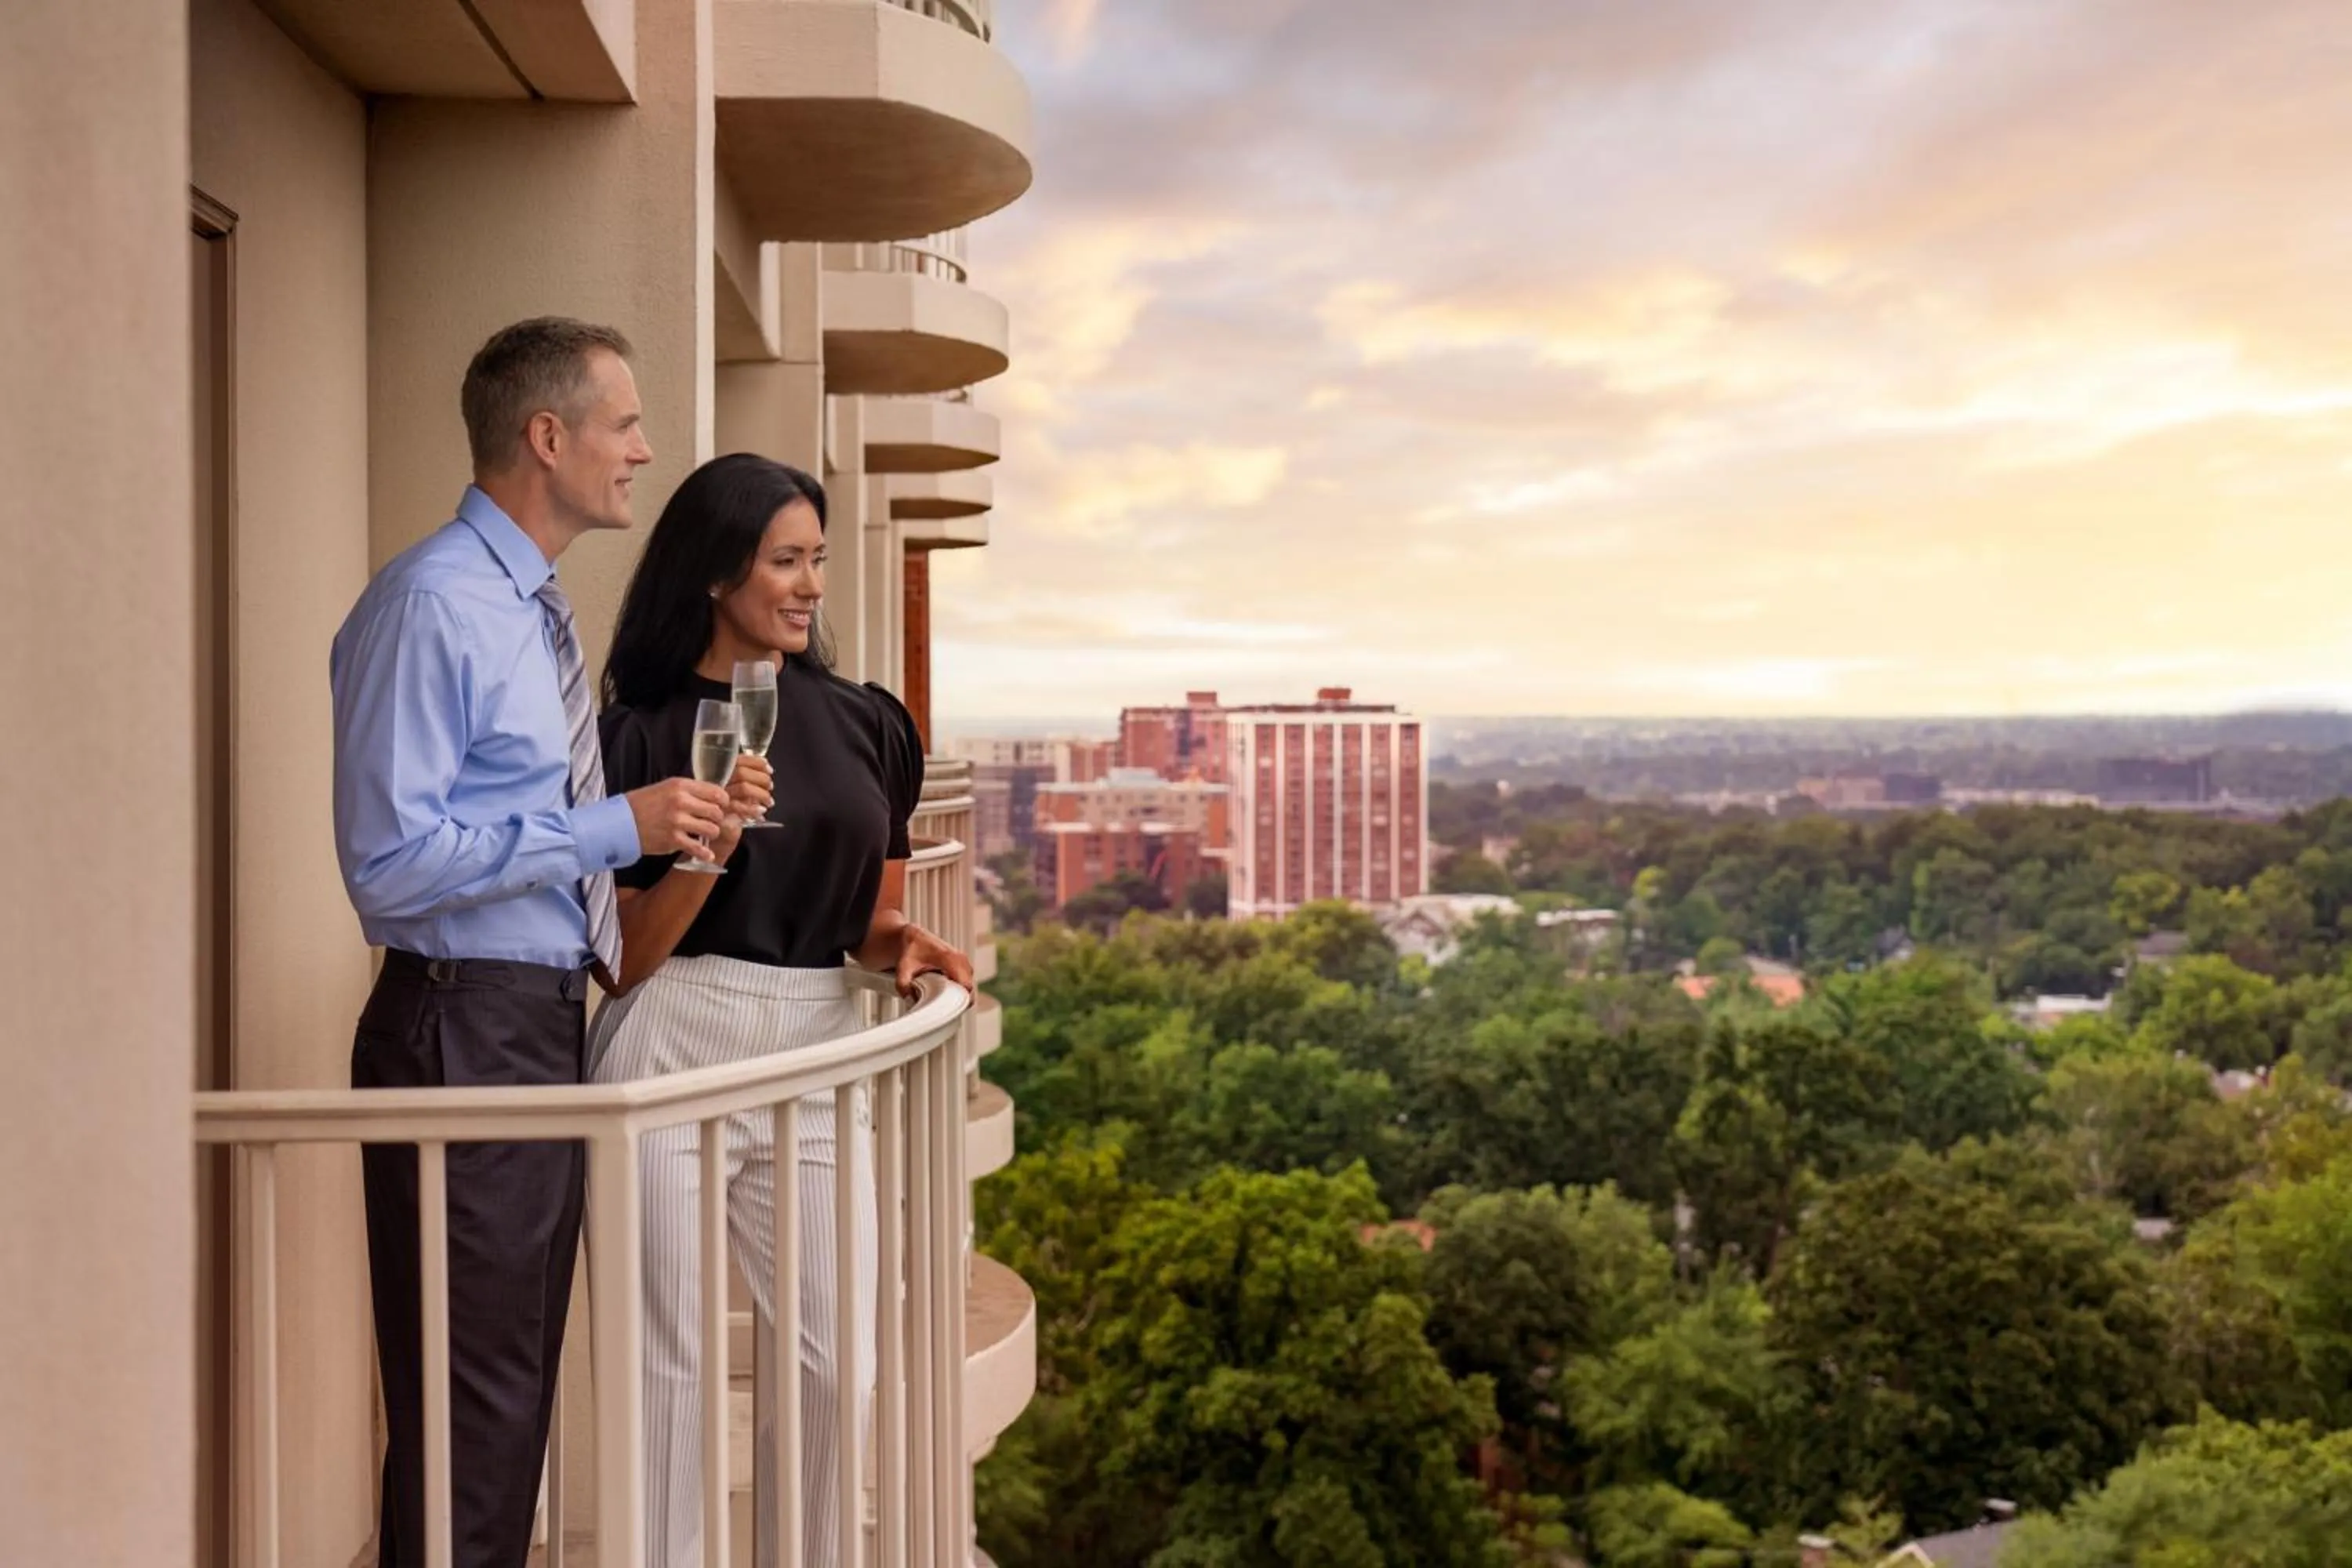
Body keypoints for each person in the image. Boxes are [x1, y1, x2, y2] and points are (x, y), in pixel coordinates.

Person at [330, 317, 735, 1567]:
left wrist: (652, 853)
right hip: (463, 1026)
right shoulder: (431, 605)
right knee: (477, 1406)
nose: (644, 450)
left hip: (530, 1024)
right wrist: (608, 827)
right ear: (546, 437)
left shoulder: (533, 610)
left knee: (504, 1398)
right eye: (624, 424)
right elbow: (387, 866)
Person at [587, 452, 975, 1568]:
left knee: (833, 1364)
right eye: (786, 560)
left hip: (814, 1048)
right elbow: (624, 962)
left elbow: (869, 921)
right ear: (717, 572)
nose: (811, 585)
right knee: (668, 1373)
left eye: (817, 560)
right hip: (671, 1038)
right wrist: (704, 847)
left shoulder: (867, 725)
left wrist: (915, 948)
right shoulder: (637, 735)